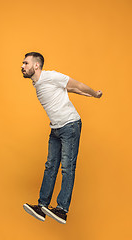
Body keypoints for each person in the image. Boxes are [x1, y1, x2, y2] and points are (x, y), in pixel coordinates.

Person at [21, 52, 102, 224]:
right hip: (56, 129)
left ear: (36, 65)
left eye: (25, 63)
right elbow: (69, 89)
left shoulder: (51, 76)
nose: (22, 66)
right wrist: (87, 94)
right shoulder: (37, 83)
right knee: (50, 166)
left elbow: (76, 85)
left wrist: (94, 93)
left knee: (67, 167)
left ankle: (62, 209)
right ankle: (41, 207)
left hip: (70, 125)